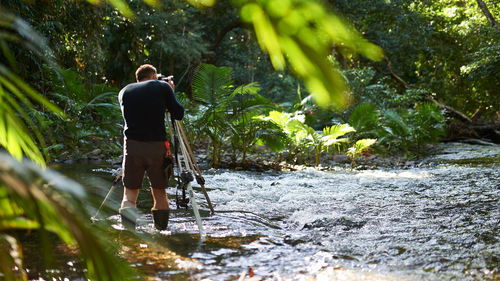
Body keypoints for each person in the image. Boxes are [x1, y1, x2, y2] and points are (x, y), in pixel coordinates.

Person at [118, 64, 184, 230]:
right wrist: (170, 91)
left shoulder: (124, 91)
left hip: (132, 148)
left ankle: (128, 236)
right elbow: (178, 113)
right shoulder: (161, 86)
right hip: (157, 147)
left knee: (129, 195)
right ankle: (161, 233)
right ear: (154, 77)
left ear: (138, 79)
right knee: (159, 193)